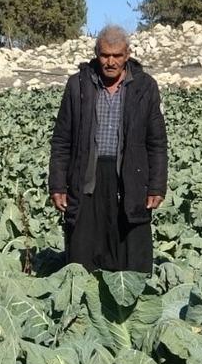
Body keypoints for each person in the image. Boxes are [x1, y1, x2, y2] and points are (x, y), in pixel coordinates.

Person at [48, 25, 167, 273]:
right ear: (96, 54)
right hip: (87, 176)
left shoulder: (145, 86)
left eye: (117, 56)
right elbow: (61, 139)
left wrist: (156, 185)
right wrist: (58, 184)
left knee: (129, 251)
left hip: (129, 177)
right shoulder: (78, 85)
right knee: (83, 250)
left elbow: (156, 142)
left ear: (128, 55)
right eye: (105, 55)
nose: (110, 62)